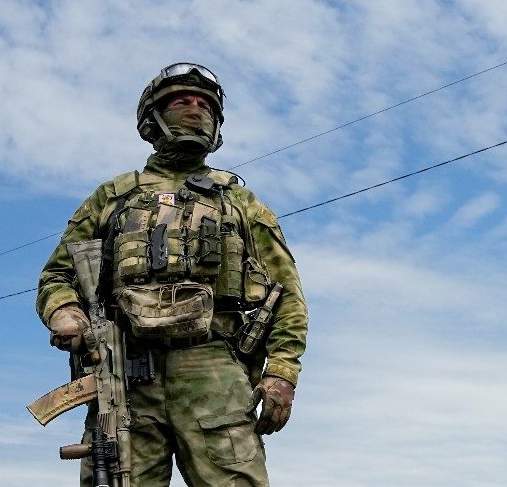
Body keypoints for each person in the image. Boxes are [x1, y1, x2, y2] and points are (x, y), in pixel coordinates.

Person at [36, 62, 308, 486]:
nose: (195, 110)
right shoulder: (113, 197)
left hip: (214, 370)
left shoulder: (241, 202)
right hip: (125, 374)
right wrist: (65, 312)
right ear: (154, 117)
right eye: (182, 101)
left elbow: (286, 294)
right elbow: (56, 275)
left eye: (205, 104)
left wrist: (282, 372)